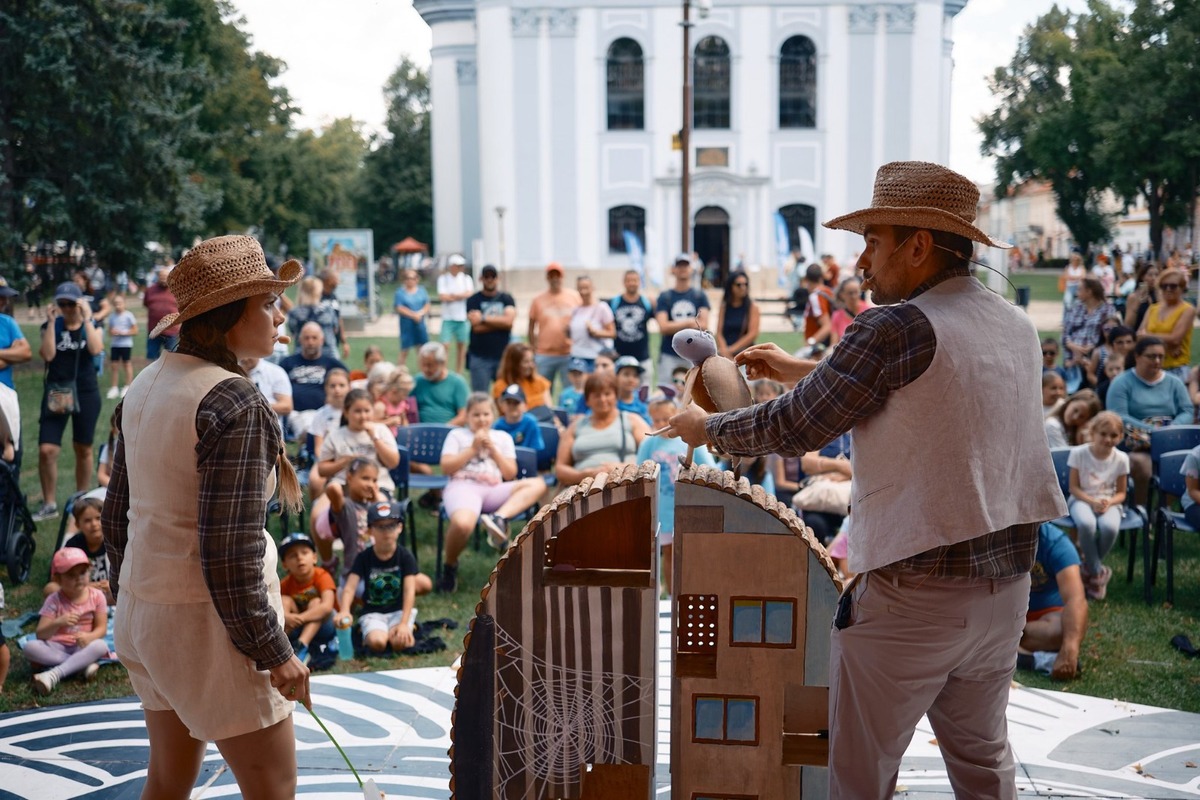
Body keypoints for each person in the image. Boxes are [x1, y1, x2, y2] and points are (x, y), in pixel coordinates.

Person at [665, 162, 1065, 799]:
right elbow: (930, 394)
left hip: (914, 598)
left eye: (873, 240)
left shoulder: (892, 328)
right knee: (984, 764)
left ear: (919, 245)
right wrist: (805, 366)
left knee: (859, 776)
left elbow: (798, 426)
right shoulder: (1014, 324)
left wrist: (705, 428)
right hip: (1006, 591)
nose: (861, 259)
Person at [101, 234, 309, 798]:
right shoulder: (234, 403)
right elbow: (229, 555)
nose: (278, 311)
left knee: (167, 782)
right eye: (265, 302)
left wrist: (133, 599)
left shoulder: (146, 382)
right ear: (225, 319)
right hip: (208, 630)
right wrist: (276, 653)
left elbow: (116, 517)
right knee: (273, 790)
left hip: (146, 616)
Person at [437, 393, 547, 592]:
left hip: (494, 489)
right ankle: (450, 565)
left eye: (486, 414)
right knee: (462, 525)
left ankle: (499, 518)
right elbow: (446, 468)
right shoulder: (456, 435)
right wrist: (472, 449)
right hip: (463, 487)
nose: (481, 419)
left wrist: (494, 451)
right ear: (468, 416)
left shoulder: (502, 437)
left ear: (493, 415)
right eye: (476, 415)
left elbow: (510, 473)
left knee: (538, 484)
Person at [35, 281, 104, 521]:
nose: (65, 308)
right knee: (47, 450)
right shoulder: (51, 326)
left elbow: (96, 350)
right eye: (61, 303)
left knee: (83, 448)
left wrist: (86, 319)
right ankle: (49, 503)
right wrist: (54, 322)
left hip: (86, 391)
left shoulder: (90, 325)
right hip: (58, 391)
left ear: (80, 302)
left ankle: (81, 499)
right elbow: (48, 354)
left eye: (70, 303)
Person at [635, 395, 714, 594]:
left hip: (686, 505)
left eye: (667, 419)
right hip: (662, 507)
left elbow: (709, 467)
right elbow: (640, 470)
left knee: (688, 552)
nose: (662, 424)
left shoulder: (689, 439)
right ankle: (671, 597)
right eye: (657, 420)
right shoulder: (649, 443)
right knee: (668, 552)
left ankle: (691, 592)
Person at [1107, 335, 1192, 506]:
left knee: (1179, 462)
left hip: (1171, 438)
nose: (1157, 360)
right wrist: (1154, 432)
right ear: (1137, 356)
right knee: (1141, 464)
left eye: (1161, 356)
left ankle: (1162, 512)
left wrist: (1172, 429)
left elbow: (1187, 410)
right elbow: (1118, 415)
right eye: (1151, 356)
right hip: (1136, 440)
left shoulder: (1174, 382)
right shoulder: (1122, 382)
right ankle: (1141, 508)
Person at [337, 500, 433, 653]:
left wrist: (403, 623)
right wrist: (345, 610)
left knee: (401, 644)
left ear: (400, 528)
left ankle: (405, 627)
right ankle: (372, 631)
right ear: (370, 531)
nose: (386, 531)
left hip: (398, 611)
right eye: (380, 526)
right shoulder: (363, 557)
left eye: (391, 526)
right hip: (373, 612)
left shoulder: (405, 556)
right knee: (377, 643)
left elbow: (409, 591)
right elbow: (349, 587)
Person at [27, 547, 110, 695]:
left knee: (100, 645)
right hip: (58, 647)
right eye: (71, 575)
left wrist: (89, 637)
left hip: (82, 646)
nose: (79, 578)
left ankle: (54, 674)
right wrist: (58, 622)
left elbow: (101, 629)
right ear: (58, 579)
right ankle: (81, 665)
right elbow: (41, 634)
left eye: (83, 573)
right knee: (30, 647)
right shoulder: (54, 599)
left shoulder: (97, 596)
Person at [1066, 411, 1127, 600]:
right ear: (1093, 433)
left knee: (1109, 528)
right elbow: (1073, 488)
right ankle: (1098, 572)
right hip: (1082, 499)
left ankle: (1087, 569)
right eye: (1103, 434)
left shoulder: (1122, 458)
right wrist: (1091, 501)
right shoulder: (1078, 453)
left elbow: (1121, 493)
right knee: (1087, 524)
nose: (1108, 439)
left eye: (1114, 435)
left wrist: (1109, 502)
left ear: (1120, 437)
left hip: (1108, 501)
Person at [555, 372, 650, 487]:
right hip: (583, 488)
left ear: (616, 396)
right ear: (587, 400)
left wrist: (624, 467)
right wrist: (584, 474)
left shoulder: (632, 420)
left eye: (607, 394)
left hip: (624, 484)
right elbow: (560, 468)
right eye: (597, 395)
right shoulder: (575, 426)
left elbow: (652, 454)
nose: (603, 399)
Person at [1020, 523, 1087, 681]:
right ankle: (1034, 660)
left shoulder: (1057, 543)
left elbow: (1076, 599)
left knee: (1062, 632)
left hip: (1046, 617)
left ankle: (1009, 653)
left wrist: (1070, 648)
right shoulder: (998, 538)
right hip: (1006, 616)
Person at [316, 388, 400, 501]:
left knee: (379, 505)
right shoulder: (335, 435)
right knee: (318, 513)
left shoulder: (381, 430)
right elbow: (321, 470)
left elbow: (393, 462)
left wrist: (375, 438)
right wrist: (344, 462)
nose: (363, 416)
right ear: (346, 412)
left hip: (377, 485)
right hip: (343, 486)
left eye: (367, 411)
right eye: (357, 411)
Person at [278, 322, 349, 439]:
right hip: (297, 413)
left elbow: (348, 383)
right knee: (310, 430)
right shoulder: (287, 363)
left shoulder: (333, 364)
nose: (310, 342)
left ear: (322, 340)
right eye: (306, 338)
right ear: (300, 340)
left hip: (326, 411)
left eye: (314, 338)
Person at [277, 533, 336, 665]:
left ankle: (301, 647)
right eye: (292, 555)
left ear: (314, 558)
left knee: (316, 602)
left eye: (304, 553)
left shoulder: (322, 575)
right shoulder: (285, 584)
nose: (299, 558)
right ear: (285, 565)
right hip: (296, 626)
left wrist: (301, 618)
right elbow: (277, 609)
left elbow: (327, 607)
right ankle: (281, 646)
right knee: (284, 600)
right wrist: (287, 617)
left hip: (325, 625)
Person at [655, 254, 711, 382]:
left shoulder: (699, 296)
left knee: (695, 395)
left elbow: (704, 324)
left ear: (692, 269)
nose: (683, 269)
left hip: (694, 355)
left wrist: (674, 325)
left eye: (686, 265)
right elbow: (663, 327)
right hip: (669, 354)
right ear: (673, 270)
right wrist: (690, 322)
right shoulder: (665, 296)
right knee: (667, 392)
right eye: (679, 266)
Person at [322, 457, 381, 579]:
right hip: (353, 574)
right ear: (349, 477)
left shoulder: (372, 506)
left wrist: (375, 499)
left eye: (374, 480)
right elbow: (333, 489)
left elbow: (384, 521)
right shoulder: (345, 507)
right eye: (365, 478)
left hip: (376, 571)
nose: (370, 484)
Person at [527, 262, 581, 391]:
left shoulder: (574, 297)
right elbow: (531, 326)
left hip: (568, 353)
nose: (555, 278)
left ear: (562, 277)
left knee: (570, 390)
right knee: (542, 390)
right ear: (547, 278)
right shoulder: (538, 299)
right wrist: (533, 348)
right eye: (551, 275)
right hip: (544, 354)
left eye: (558, 275)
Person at [1137, 267, 1195, 381]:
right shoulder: (1153, 308)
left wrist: (1147, 336)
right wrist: (1166, 343)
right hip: (1150, 368)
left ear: (1182, 287)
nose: (1168, 289)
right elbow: (1139, 336)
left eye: (1173, 286)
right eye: (1164, 286)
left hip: (1175, 368)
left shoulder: (1187, 309)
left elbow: (1175, 339)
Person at [54, 497, 114, 605]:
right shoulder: (73, 545)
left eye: (98, 518)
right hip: (80, 591)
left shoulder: (114, 541)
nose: (94, 524)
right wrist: (85, 586)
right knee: (50, 589)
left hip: (109, 591)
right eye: (87, 520)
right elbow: (60, 577)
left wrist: (112, 584)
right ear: (78, 525)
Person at [465, 264, 516, 392]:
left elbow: (509, 322)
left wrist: (483, 318)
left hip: (503, 356)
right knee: (480, 396)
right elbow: (476, 328)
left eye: (492, 276)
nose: (489, 279)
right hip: (479, 356)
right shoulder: (473, 300)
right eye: (486, 276)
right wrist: (500, 323)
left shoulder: (506, 299)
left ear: (497, 278)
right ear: (481, 279)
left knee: (506, 395)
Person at [1061, 278, 1114, 390]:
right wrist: (1072, 346)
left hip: (1094, 358)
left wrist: (1093, 347)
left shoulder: (1107, 310)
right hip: (1072, 358)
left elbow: (1111, 333)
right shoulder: (1076, 308)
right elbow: (1065, 332)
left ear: (1089, 291)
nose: (1077, 293)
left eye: (1080, 289)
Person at [609, 270, 655, 379]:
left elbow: (657, 319)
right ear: (624, 282)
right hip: (620, 357)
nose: (632, 283)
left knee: (644, 392)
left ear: (639, 282)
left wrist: (655, 305)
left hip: (642, 357)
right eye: (629, 280)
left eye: (634, 280)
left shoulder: (646, 302)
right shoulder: (614, 302)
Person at [413, 342, 469, 426]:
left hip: (449, 432)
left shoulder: (457, 382)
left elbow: (464, 415)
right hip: (419, 431)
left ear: (442, 363)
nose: (425, 369)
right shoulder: (417, 381)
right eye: (423, 365)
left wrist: (443, 429)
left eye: (429, 365)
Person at [567, 276, 616, 372]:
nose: (583, 291)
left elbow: (612, 333)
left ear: (592, 288)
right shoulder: (576, 310)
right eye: (580, 288)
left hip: (595, 357)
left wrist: (596, 332)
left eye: (586, 288)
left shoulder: (602, 307)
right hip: (577, 356)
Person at [287, 276, 341, 359]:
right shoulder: (328, 310)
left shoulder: (295, 312)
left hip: (302, 353)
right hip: (328, 352)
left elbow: (293, 332)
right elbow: (335, 329)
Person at [437, 255, 474, 374]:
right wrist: (459, 296)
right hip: (448, 317)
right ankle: (444, 370)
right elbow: (443, 296)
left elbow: (469, 293)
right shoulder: (443, 279)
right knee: (445, 346)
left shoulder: (466, 278)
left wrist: (453, 296)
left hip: (462, 317)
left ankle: (459, 372)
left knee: (461, 346)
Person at [492, 342, 552, 410]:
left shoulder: (540, 382)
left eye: (532, 361)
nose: (531, 365)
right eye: (526, 362)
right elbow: (507, 412)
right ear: (514, 364)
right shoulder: (501, 386)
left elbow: (549, 409)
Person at [241, 356, 293, 432]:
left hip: (268, 424)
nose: (245, 359)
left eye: (248, 355)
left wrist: (254, 406)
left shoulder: (275, 372)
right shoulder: (231, 370)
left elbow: (286, 407)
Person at [716, 270, 760, 359]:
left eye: (745, 284)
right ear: (730, 286)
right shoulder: (724, 307)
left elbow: (752, 334)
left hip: (744, 354)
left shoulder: (752, 307)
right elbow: (719, 332)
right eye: (739, 285)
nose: (743, 287)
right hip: (724, 353)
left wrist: (731, 350)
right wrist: (724, 350)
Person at [394, 269, 431, 366]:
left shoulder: (422, 291)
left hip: (420, 324)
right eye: (408, 278)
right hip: (407, 325)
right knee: (404, 349)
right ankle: (399, 372)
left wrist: (421, 313)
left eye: (413, 278)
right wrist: (413, 315)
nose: (411, 281)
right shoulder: (400, 293)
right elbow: (399, 307)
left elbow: (427, 304)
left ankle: (423, 372)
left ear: (417, 279)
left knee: (422, 350)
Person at [494, 384, 546, 451]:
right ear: (502, 406)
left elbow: (537, 450)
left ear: (525, 405)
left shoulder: (531, 423)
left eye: (516, 403)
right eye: (509, 403)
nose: (512, 406)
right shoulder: (497, 426)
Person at [143, 265, 180, 360]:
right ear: (158, 277)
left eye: (165, 276)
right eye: (161, 276)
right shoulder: (150, 290)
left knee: (172, 361)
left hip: (172, 331)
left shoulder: (177, 289)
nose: (163, 278)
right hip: (154, 331)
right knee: (151, 359)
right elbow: (146, 304)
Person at [105, 293, 138, 399]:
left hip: (125, 344)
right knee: (114, 365)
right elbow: (110, 330)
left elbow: (135, 330)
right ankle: (114, 387)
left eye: (120, 303)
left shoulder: (128, 315)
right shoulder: (112, 316)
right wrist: (112, 332)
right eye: (115, 303)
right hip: (115, 344)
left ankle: (128, 386)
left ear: (124, 304)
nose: (117, 305)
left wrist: (124, 333)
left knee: (126, 364)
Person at [0, 283, 31, 390]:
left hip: (6, 392)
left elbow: (26, 353)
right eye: (1, 297)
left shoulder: (8, 322)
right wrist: (11, 354)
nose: (5, 302)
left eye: (5, 297)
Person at [829, 276, 873, 348]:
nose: (854, 296)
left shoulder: (869, 311)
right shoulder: (837, 315)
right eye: (850, 293)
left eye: (856, 292)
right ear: (842, 295)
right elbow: (833, 343)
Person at [317, 269, 351, 360]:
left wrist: (344, 342)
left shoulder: (333, 296)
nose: (338, 282)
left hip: (332, 343)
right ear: (327, 280)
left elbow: (339, 318)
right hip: (319, 344)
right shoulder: (316, 296)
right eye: (336, 278)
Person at [799, 264, 834, 350]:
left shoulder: (816, 296)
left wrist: (810, 343)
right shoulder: (828, 292)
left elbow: (827, 326)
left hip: (819, 347)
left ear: (806, 278)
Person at [375, 368, 418, 437]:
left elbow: (405, 423)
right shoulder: (381, 406)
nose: (406, 398)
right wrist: (389, 422)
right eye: (404, 394)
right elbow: (371, 425)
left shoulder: (402, 404)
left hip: (399, 440)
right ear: (393, 391)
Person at [614, 356, 651, 422]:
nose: (631, 380)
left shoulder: (641, 400)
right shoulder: (610, 400)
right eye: (626, 374)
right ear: (616, 377)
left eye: (635, 376)